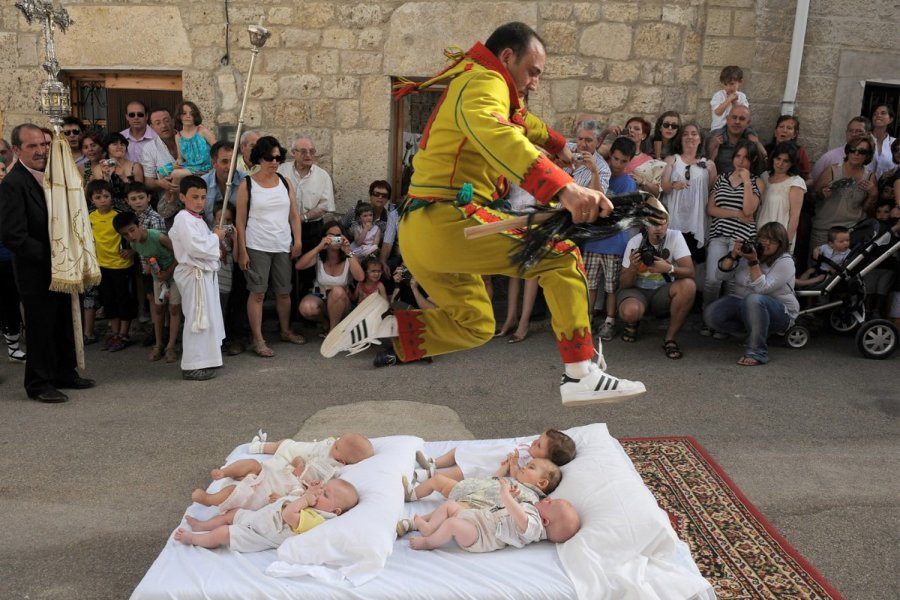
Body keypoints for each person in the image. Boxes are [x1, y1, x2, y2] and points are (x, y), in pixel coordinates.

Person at [322, 22, 645, 405]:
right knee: (561, 258)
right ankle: (580, 374)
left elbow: (520, 122)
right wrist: (564, 187)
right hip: (447, 223)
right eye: (533, 72)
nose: (535, 83)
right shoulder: (484, 81)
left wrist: (557, 142)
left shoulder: (483, 84)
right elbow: (496, 131)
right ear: (507, 57)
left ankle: (384, 325)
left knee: (476, 323)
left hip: (425, 234)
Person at [0, 124, 95, 402]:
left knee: (64, 319)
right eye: (32, 146)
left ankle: (64, 372)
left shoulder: (55, 173)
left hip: (64, 264)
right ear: (16, 150)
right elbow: (13, 235)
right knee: (41, 325)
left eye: (43, 144)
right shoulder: (13, 184)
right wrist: (54, 257)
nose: (41, 151)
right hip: (36, 269)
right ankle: (38, 383)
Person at [234, 136, 304, 357]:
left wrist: (298, 240)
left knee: (284, 293)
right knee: (257, 293)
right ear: (259, 158)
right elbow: (240, 221)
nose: (274, 162)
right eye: (269, 158)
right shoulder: (247, 185)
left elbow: (294, 215)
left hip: (282, 245)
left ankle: (285, 330)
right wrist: (242, 250)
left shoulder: (285, 182)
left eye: (277, 158)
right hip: (257, 245)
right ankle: (258, 339)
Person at [194, 432, 374, 511]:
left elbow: (304, 480)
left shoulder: (330, 471)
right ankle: (226, 472)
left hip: (281, 484)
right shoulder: (328, 453)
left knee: (239, 491)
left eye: (336, 446)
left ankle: (209, 500)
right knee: (253, 464)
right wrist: (297, 461)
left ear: (342, 460)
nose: (333, 443)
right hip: (277, 474)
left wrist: (299, 466)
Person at [704, 221, 799, 366]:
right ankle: (754, 333)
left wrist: (754, 263)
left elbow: (762, 289)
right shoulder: (750, 253)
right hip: (744, 305)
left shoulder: (785, 261)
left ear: (781, 244)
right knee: (711, 315)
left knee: (754, 299)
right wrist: (733, 255)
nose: (766, 243)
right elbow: (721, 276)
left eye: (772, 240)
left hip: (780, 313)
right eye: (763, 238)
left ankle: (757, 352)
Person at [175, 479, 359, 552]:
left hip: (258, 535)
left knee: (223, 533)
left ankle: (194, 539)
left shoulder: (317, 520)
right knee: (232, 513)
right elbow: (291, 503)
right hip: (258, 519)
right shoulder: (312, 502)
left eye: (325, 494)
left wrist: (305, 499)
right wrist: (307, 492)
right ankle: (202, 525)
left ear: (335, 511)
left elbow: (288, 514)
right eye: (322, 488)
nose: (319, 492)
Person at [401, 479, 580, 552]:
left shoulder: (535, 527)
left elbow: (520, 519)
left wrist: (506, 495)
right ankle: (429, 527)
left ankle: (428, 542)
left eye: (551, 503)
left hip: (481, 535)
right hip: (479, 518)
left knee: (452, 524)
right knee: (450, 506)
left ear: (546, 521)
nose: (548, 499)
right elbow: (511, 512)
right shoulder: (532, 511)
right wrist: (513, 498)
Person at [702, 139, 764, 334]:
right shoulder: (722, 178)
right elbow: (711, 209)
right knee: (712, 280)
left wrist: (746, 181)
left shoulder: (757, 182)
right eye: (738, 156)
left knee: (732, 284)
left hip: (741, 238)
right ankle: (708, 319)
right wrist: (736, 214)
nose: (740, 161)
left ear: (753, 160)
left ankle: (723, 324)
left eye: (746, 158)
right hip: (719, 235)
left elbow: (749, 210)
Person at [168, 176, 226, 380]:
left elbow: (204, 246)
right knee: (197, 318)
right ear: (182, 197)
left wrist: (214, 244)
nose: (200, 201)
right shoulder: (183, 218)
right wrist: (216, 238)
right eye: (194, 197)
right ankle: (192, 365)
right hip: (194, 275)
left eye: (203, 197)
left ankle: (207, 359)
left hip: (203, 275)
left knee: (207, 317)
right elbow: (195, 247)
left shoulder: (197, 219)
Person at [617, 216, 696, 359]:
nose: (658, 228)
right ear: (645, 225)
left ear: (668, 223)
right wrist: (633, 267)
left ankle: (670, 338)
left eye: (661, 223)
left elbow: (690, 272)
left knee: (688, 286)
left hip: (662, 293)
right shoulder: (635, 241)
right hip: (637, 291)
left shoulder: (675, 236)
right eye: (653, 224)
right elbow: (624, 284)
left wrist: (669, 268)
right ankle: (632, 323)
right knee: (631, 311)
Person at [583, 136, 635, 341]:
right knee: (590, 284)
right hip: (593, 240)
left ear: (630, 161)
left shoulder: (628, 183)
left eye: (624, 161)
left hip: (615, 242)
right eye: (616, 159)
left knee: (611, 287)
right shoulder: (600, 172)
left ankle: (610, 321)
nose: (618, 164)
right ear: (610, 155)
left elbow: (618, 212)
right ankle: (587, 319)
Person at [115, 211, 182, 363]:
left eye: (132, 230)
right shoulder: (134, 244)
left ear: (139, 226)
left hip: (175, 276)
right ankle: (158, 344)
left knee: (174, 309)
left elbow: (179, 254)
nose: (130, 236)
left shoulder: (158, 237)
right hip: (158, 278)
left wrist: (168, 272)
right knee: (158, 308)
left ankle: (171, 346)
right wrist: (155, 272)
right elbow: (148, 258)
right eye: (125, 234)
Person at [413, 429, 575, 483]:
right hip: (488, 453)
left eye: (539, 445)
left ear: (546, 460)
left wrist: (513, 464)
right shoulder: (531, 447)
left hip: (491, 464)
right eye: (538, 439)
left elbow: (517, 475)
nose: (534, 443)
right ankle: (433, 462)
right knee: (459, 451)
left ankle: (429, 474)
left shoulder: (533, 465)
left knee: (460, 472)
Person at [87, 180, 137, 352]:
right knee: (109, 301)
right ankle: (115, 334)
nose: (103, 200)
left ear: (112, 197)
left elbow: (134, 235)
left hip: (122, 266)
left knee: (124, 300)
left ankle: (124, 334)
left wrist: (132, 251)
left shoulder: (120, 216)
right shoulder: (90, 217)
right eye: (98, 197)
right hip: (102, 266)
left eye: (106, 196)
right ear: (92, 200)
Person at [295, 221, 364, 336]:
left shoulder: (349, 256)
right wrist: (319, 248)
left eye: (338, 236)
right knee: (306, 307)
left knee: (336, 291)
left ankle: (332, 332)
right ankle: (325, 322)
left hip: (342, 303)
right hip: (321, 299)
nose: (335, 239)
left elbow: (360, 277)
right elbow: (299, 266)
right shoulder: (319, 257)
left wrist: (348, 252)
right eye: (331, 235)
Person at [660, 123, 716, 263]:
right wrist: (673, 185)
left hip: (696, 220)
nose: (690, 137)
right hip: (675, 219)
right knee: (671, 260)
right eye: (685, 134)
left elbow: (711, 191)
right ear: (680, 139)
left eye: (694, 134)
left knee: (695, 262)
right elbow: (664, 187)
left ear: (700, 139)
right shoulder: (672, 160)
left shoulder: (709, 165)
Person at [809, 135, 877, 250]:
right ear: (847, 151)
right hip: (825, 231)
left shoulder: (870, 177)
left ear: (868, 155)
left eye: (862, 151)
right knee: (816, 261)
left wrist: (873, 194)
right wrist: (822, 193)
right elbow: (812, 197)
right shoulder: (832, 170)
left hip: (850, 233)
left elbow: (868, 210)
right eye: (852, 150)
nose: (856, 154)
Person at [403, 457, 561, 506]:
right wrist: (508, 466)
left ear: (541, 483)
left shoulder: (531, 498)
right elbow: (495, 477)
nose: (524, 467)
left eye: (531, 467)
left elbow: (522, 512)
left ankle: (417, 524)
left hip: (477, 504)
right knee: (437, 480)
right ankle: (412, 494)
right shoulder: (513, 480)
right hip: (465, 488)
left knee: (448, 511)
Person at [758, 141, 806, 251]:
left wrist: (787, 242)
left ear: (792, 163)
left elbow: (795, 216)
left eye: (785, 161)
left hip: (779, 237)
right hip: (760, 232)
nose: (780, 164)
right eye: (778, 159)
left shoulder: (795, 182)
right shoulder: (764, 177)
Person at [706, 105, 767, 177]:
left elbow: (762, 164)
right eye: (734, 117)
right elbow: (702, 168)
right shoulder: (713, 137)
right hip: (717, 182)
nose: (737, 121)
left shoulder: (751, 140)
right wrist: (711, 152)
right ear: (727, 119)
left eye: (742, 119)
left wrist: (756, 143)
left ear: (748, 123)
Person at [93, 132, 145, 213]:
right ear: (107, 148)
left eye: (122, 144)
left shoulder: (135, 166)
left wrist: (124, 178)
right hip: (108, 210)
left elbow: (140, 192)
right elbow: (100, 195)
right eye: (115, 144)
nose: (119, 147)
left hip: (132, 210)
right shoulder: (98, 169)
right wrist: (106, 176)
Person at [810, 117, 872, 182]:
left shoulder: (872, 159)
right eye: (850, 130)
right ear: (846, 133)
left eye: (859, 131)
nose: (853, 134)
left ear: (868, 134)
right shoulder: (829, 157)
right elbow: (813, 182)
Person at [564, 119, 611, 192]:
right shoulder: (565, 148)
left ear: (598, 142)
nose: (583, 144)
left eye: (588, 140)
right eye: (580, 139)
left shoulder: (603, 169)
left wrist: (594, 172)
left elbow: (598, 196)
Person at [173, 101, 216, 176]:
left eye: (191, 113)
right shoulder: (178, 136)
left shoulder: (202, 131)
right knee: (162, 172)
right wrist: (177, 163)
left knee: (176, 174)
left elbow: (218, 148)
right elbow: (180, 158)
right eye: (184, 113)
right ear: (179, 116)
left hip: (205, 168)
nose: (188, 116)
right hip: (188, 166)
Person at [622, 116, 663, 197]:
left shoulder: (648, 161)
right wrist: (607, 131)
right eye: (629, 128)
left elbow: (657, 193)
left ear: (643, 136)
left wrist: (642, 181)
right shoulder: (613, 152)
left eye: (636, 129)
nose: (631, 130)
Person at [765, 115, 811, 182]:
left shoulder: (800, 152)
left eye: (789, 128)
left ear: (794, 134)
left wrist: (797, 186)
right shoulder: (765, 150)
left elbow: (809, 179)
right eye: (781, 127)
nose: (784, 130)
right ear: (775, 132)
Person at [709, 66, 749, 131]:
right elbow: (718, 112)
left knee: (750, 131)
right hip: (719, 128)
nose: (728, 87)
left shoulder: (742, 96)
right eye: (725, 84)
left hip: (735, 129)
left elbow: (744, 114)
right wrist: (728, 100)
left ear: (740, 81)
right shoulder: (718, 95)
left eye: (731, 84)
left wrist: (735, 102)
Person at [870, 104, 897, 178]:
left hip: (886, 184)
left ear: (890, 119)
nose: (878, 115)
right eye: (875, 114)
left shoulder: (895, 143)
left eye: (883, 113)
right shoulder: (862, 139)